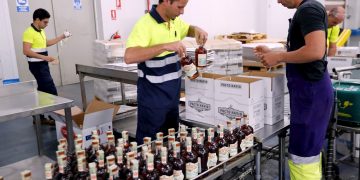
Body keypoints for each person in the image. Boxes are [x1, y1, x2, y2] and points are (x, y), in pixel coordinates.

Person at [254, 0, 333, 179]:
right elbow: (304, 47)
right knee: (308, 152)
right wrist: (273, 52)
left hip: (311, 94)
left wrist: (279, 57)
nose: (278, 1)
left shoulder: (308, 9)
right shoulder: (307, 9)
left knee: (303, 155)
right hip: (308, 93)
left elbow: (315, 50)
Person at [124, 0, 207, 144]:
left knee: (170, 143)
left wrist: (196, 29)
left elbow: (187, 29)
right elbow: (129, 56)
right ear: (167, 2)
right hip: (153, 101)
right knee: (149, 146)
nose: (182, 12)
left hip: (172, 100)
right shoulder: (145, 24)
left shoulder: (174, 21)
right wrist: (164, 46)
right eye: (180, 7)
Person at [23, 8, 71, 125]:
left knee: (42, 90)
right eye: (45, 22)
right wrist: (45, 58)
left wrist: (62, 37)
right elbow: (26, 51)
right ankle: (56, 116)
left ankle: (38, 117)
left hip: (42, 65)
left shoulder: (40, 31)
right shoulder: (29, 32)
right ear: (37, 20)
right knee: (50, 88)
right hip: (36, 66)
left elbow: (46, 43)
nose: (47, 24)